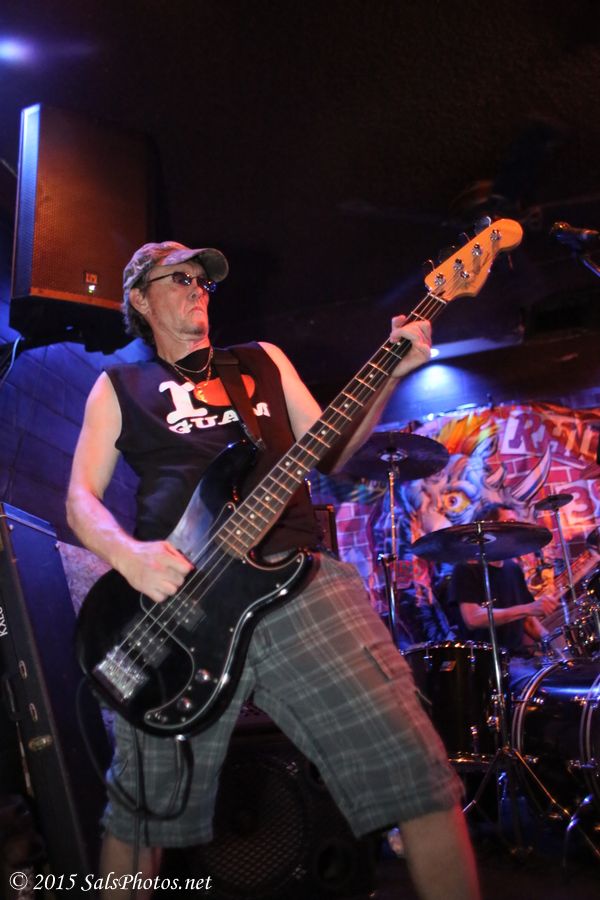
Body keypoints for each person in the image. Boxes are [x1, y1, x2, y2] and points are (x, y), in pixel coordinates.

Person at [66, 241, 480, 900]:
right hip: (176, 606)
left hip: (297, 585)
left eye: (203, 279)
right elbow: (80, 500)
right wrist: (129, 555)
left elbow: (332, 451)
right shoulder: (119, 388)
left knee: (420, 780)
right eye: (179, 278)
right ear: (140, 299)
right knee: (140, 819)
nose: (197, 287)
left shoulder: (261, 360)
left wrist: (392, 372)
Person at [446, 502, 559, 656]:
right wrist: (528, 608)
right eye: (509, 523)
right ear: (489, 529)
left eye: (516, 523)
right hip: (485, 660)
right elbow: (473, 619)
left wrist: (555, 646)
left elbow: (528, 622)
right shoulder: (466, 569)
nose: (515, 529)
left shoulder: (513, 568)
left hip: (518, 658)